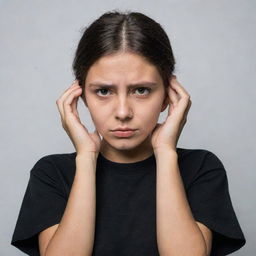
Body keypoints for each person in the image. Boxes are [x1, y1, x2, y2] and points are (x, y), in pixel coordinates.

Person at [10, 10, 246, 256]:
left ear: (168, 95)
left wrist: (165, 152)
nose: (123, 112)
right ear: (81, 97)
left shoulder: (201, 168)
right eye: (103, 91)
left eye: (141, 90)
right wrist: (86, 158)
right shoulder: (52, 174)